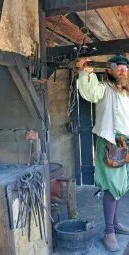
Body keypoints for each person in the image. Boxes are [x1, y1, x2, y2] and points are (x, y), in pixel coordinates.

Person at [76, 55, 129, 252]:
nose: (123, 71)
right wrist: (85, 72)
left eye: (126, 69)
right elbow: (90, 92)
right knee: (112, 186)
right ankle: (109, 231)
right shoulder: (104, 89)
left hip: (127, 143)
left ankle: (114, 223)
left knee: (121, 186)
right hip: (111, 142)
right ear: (109, 71)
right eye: (119, 68)